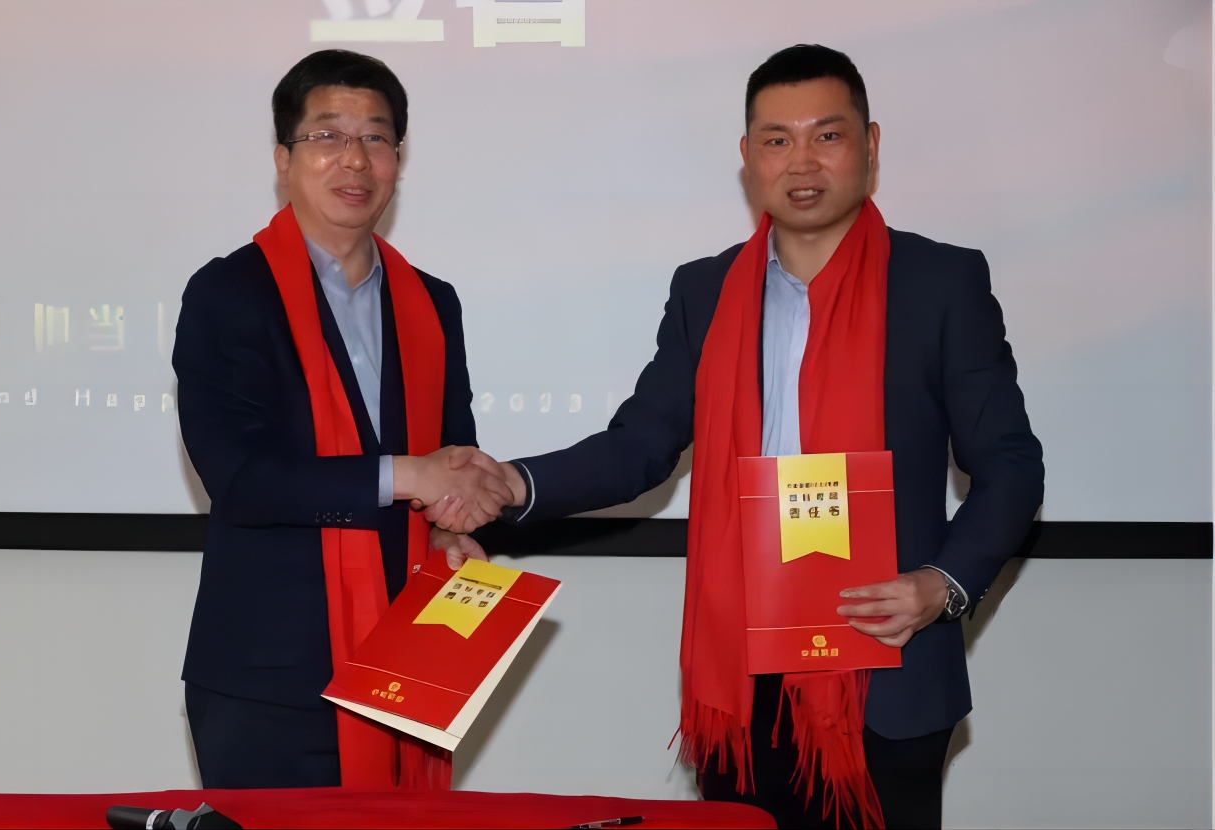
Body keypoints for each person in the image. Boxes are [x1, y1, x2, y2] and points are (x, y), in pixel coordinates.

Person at [436, 45, 1044, 828]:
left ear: (870, 145)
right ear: (748, 157)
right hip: (743, 674)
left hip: (887, 665)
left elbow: (1010, 465)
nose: (803, 161)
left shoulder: (939, 284)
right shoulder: (707, 289)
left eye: (828, 135)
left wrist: (941, 585)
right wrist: (510, 484)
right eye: (777, 139)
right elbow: (640, 444)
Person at [173, 49, 505, 791]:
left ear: (397, 160)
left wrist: (450, 526)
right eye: (327, 135)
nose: (355, 159)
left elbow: (453, 454)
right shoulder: (228, 293)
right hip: (270, 683)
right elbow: (242, 479)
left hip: (411, 664)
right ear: (283, 159)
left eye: (376, 138)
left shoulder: (433, 302)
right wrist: (410, 476)